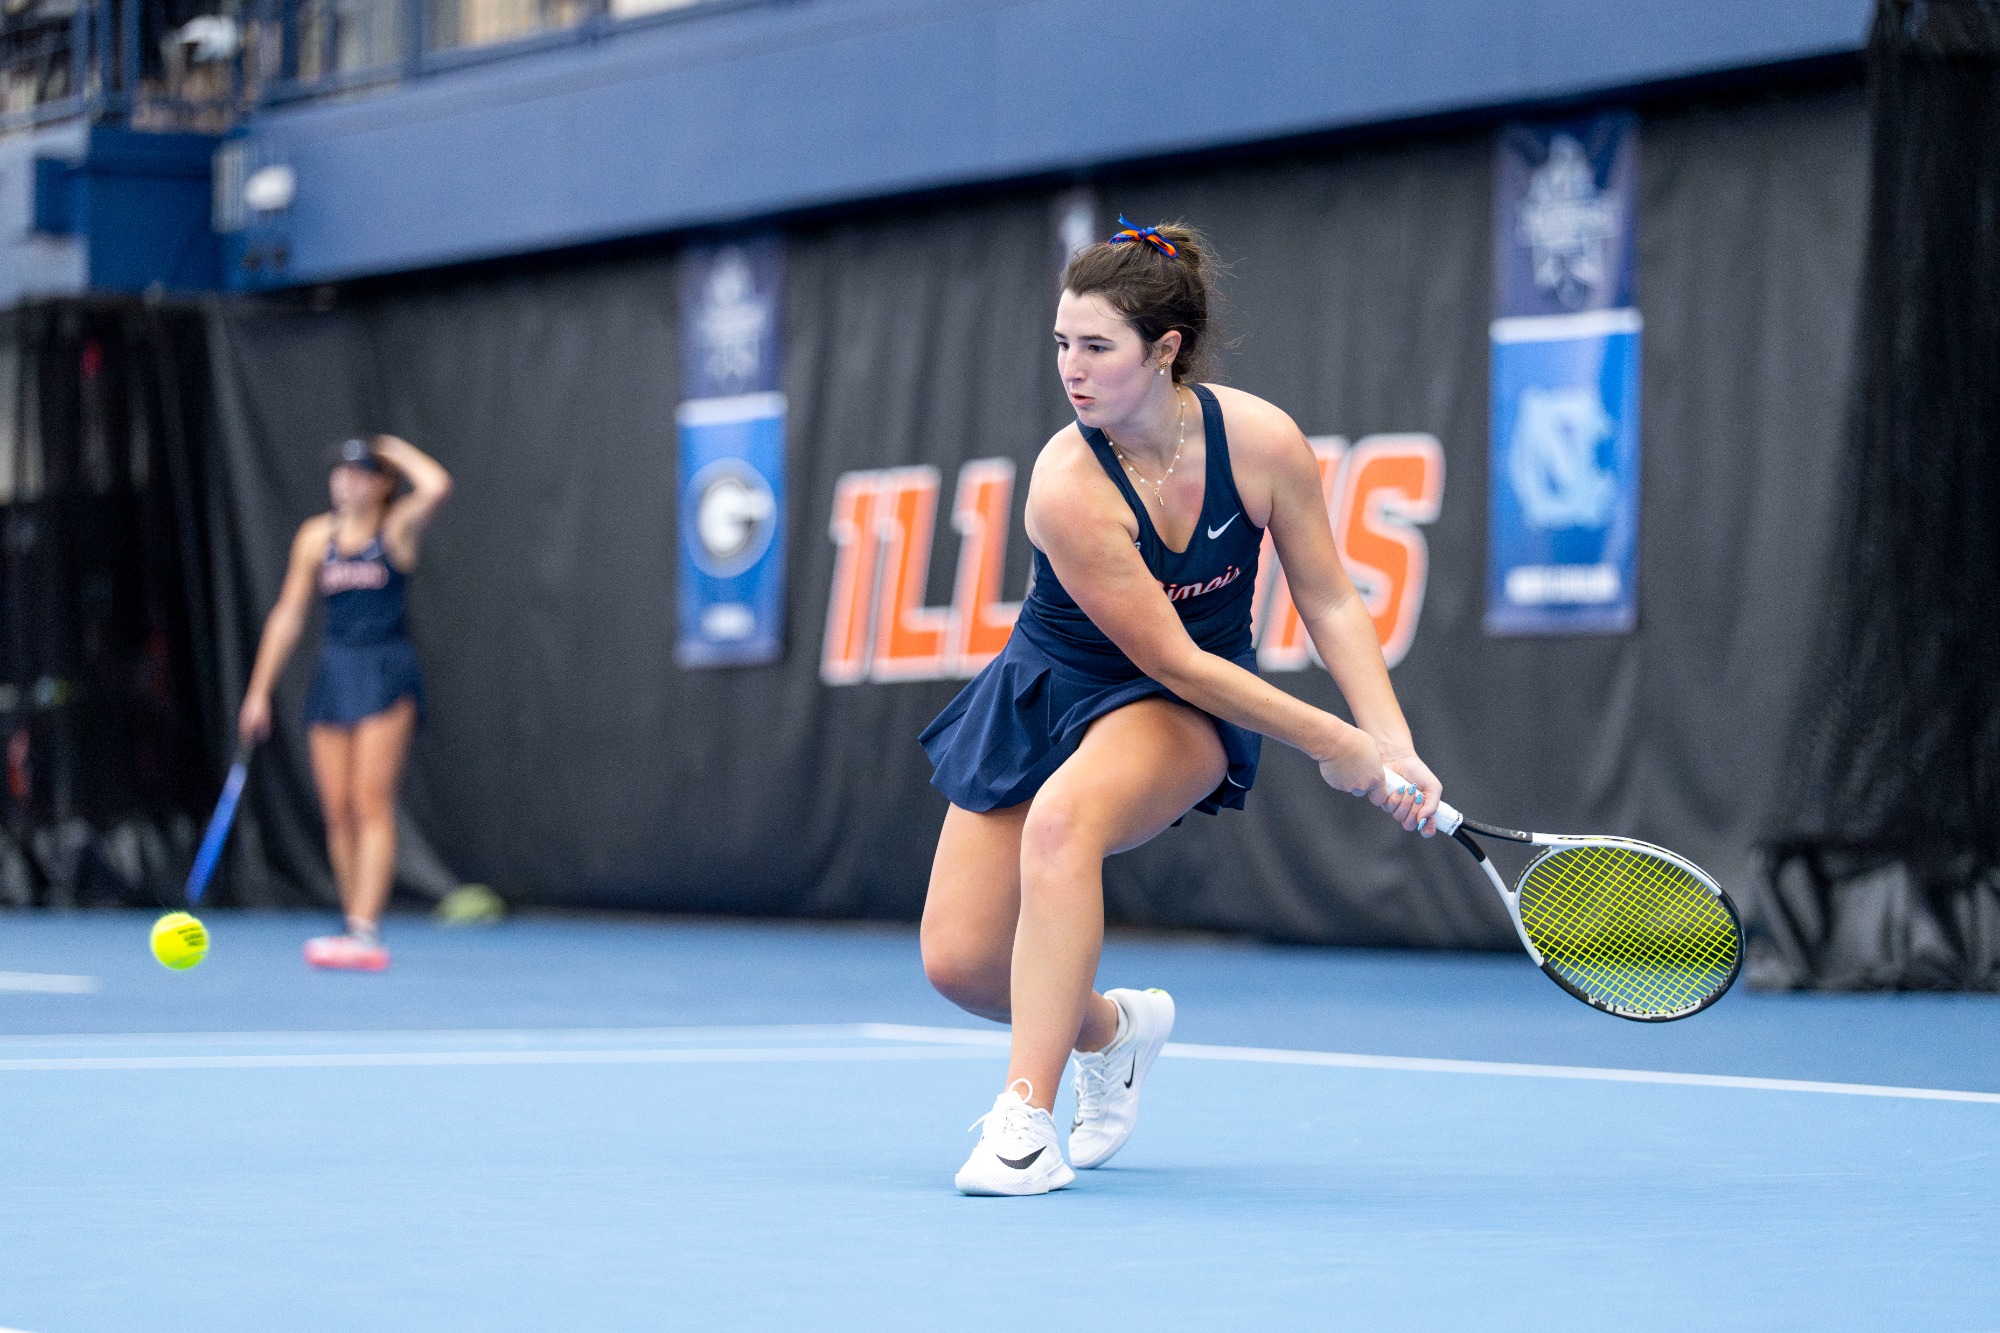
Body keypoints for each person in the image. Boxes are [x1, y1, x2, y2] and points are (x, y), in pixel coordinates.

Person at [918, 219, 1443, 1196]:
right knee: (958, 961)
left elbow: (1325, 597)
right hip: (1052, 683)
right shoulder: (1067, 486)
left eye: (1096, 347)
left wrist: (1390, 739)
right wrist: (1335, 742)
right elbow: (1160, 645)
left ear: (1165, 349)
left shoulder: (1260, 442)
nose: (1070, 370)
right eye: (1061, 345)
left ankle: (1022, 1127)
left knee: (1063, 825)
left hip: (1180, 704)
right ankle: (1112, 1032)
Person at [238, 435, 452, 971]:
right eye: (340, 473)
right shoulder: (316, 536)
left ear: (380, 485)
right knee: (336, 809)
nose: (345, 482)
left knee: (370, 801)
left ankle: (365, 928)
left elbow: (437, 485)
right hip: (335, 671)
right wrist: (259, 692)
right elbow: (288, 615)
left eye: (359, 474)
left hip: (385, 669)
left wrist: (394, 451)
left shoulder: (396, 527)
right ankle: (351, 917)